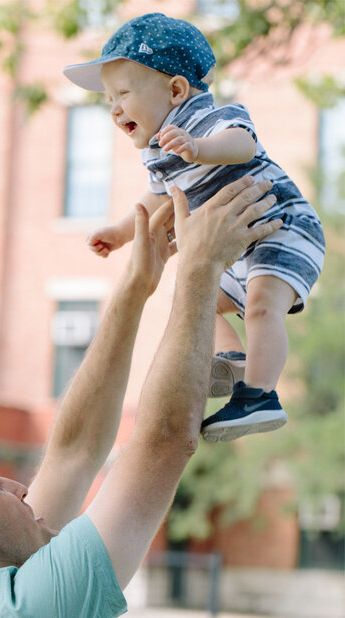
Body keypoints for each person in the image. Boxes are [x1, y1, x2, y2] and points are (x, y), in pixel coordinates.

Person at [0, 176, 283, 617]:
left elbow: (74, 452)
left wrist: (136, 286)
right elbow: (164, 440)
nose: (21, 488)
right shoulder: (29, 608)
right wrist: (200, 267)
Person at [62, 13, 325, 441]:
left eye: (124, 93)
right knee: (201, 297)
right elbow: (158, 197)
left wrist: (200, 148)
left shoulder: (209, 118)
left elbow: (244, 145)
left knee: (261, 306)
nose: (114, 108)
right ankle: (232, 357)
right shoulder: (156, 151)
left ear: (176, 89)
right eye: (108, 98)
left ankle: (260, 396)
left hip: (284, 225)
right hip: (242, 244)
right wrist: (120, 232)